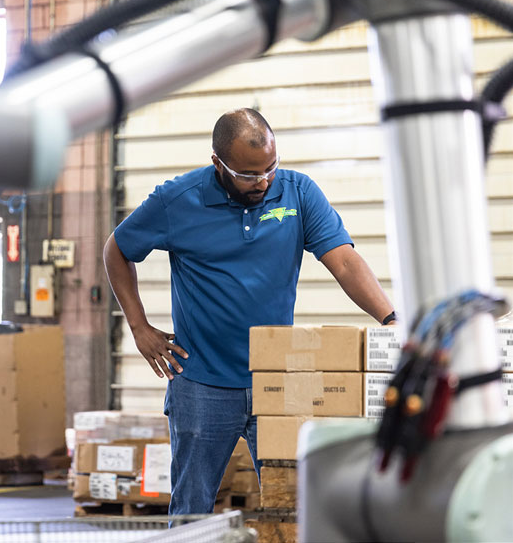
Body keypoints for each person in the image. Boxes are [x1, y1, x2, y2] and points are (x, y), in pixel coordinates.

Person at [103, 108, 394, 515]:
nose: (263, 182)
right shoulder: (177, 200)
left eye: (270, 169)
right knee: (192, 506)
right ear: (217, 163)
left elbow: (344, 262)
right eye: (248, 174)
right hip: (202, 382)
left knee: (292, 503)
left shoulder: (298, 192)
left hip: (278, 378)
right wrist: (137, 326)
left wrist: (390, 319)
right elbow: (117, 249)